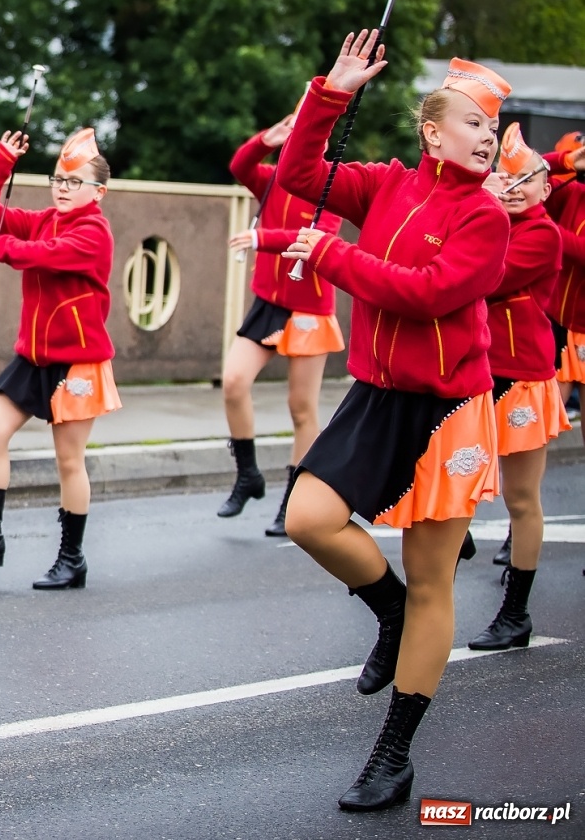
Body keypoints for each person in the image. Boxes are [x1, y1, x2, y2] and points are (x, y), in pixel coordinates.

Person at [279, 40, 509, 812]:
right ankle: (389, 610)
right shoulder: (386, 186)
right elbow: (298, 178)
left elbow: (428, 294)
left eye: (494, 126)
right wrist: (330, 97)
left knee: (436, 578)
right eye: (473, 121)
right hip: (377, 396)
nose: (487, 135)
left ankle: (394, 753)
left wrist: (333, 260)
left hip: (448, 409)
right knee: (309, 519)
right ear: (431, 132)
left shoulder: (487, 218)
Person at [0, 127, 120, 589]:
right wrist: (1, 159)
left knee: (69, 461)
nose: (63, 189)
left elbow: (50, 255)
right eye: (58, 179)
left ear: (99, 192)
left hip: (79, 361)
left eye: (75, 182)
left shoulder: (94, 233)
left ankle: (72, 559)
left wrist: (3, 248)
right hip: (34, 358)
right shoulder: (44, 218)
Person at [223, 109, 346, 534]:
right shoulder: (273, 176)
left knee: (301, 408)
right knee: (234, 382)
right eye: (294, 130)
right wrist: (267, 137)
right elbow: (239, 166)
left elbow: (317, 240)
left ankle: (293, 501)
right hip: (268, 303)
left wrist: (262, 239)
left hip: (308, 306)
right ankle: (247, 474)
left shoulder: (331, 186)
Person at [471, 124, 566, 650]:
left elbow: (486, 275)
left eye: (524, 179)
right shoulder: (490, 218)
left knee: (522, 498)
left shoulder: (542, 234)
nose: (510, 185)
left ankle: (515, 614)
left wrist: (481, 210)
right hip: (479, 371)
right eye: (502, 175)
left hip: (523, 376)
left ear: (546, 188)